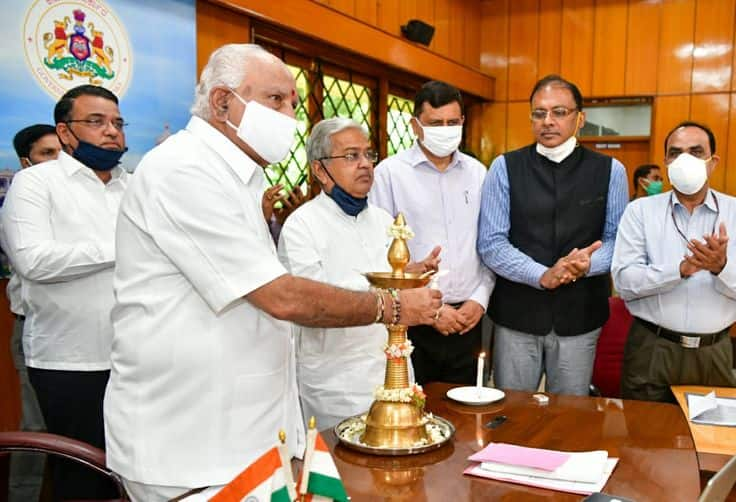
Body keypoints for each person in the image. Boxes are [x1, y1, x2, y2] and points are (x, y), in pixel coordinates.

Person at [103, 44, 441, 501]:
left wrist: (293, 439)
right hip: (191, 443)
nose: (289, 116)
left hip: (249, 436)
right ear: (222, 102)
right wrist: (394, 305)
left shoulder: (241, 177)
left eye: (293, 104)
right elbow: (280, 297)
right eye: (276, 100)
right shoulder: (183, 170)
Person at [0, 86, 129, 500]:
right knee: (80, 477)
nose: (111, 131)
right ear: (65, 131)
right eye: (96, 121)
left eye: (117, 123)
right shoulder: (36, 184)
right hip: (70, 360)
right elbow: (33, 261)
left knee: (132, 470)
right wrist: (122, 246)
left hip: (137, 356)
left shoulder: (135, 187)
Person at [278, 118, 440, 431]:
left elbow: (384, 277)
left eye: (368, 154)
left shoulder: (382, 220)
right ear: (320, 170)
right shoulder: (301, 226)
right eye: (352, 156)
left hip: (391, 369)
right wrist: (393, 293)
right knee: (344, 475)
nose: (365, 164)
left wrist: (409, 275)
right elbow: (314, 301)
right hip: (334, 383)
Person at [478, 74, 628, 395]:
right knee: (513, 415)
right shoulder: (504, 167)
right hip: (517, 314)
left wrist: (586, 264)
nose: (548, 121)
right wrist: (542, 275)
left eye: (559, 112)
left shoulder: (610, 171)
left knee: (571, 419)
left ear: (580, 119)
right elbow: (491, 243)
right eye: (539, 113)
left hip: (581, 316)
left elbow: (618, 241)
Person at [612, 121, 736, 403]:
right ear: (666, 162)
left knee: (710, 442)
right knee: (644, 442)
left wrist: (721, 268)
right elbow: (624, 281)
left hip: (714, 351)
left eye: (696, 152)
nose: (684, 160)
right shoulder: (640, 211)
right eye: (675, 153)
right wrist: (679, 270)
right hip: (652, 348)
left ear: (713, 163)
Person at [370, 81, 495, 386]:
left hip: (470, 317)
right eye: (436, 123)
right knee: (415, 410)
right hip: (412, 320)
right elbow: (378, 250)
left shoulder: (478, 173)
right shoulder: (389, 174)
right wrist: (433, 310)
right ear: (415, 125)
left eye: (453, 122)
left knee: (468, 413)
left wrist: (479, 300)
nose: (446, 129)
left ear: (463, 122)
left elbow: (490, 244)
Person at [6, 124, 60, 502]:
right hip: (36, 331)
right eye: (46, 154)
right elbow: (36, 264)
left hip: (94, 335)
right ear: (25, 162)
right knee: (37, 430)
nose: (56, 162)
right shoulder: (21, 206)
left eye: (61, 152)